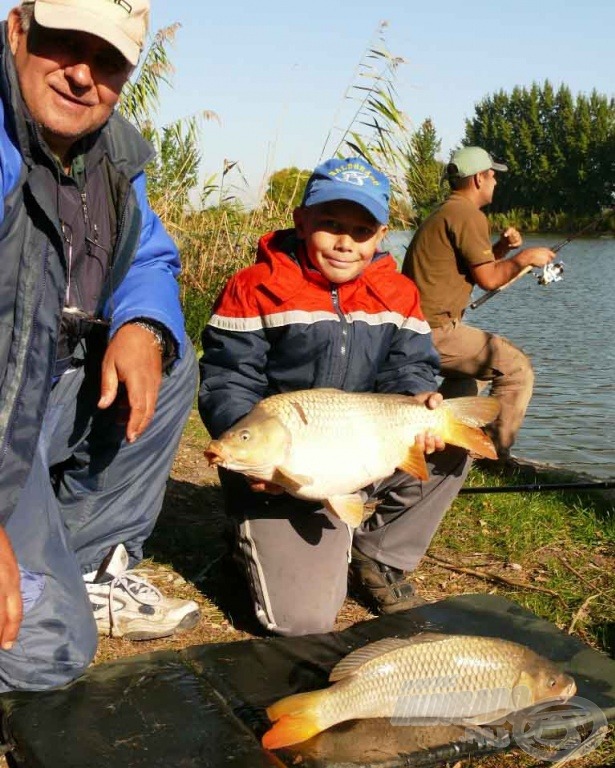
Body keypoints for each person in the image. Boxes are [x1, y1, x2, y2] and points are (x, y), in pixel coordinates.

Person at [0, 0, 200, 691]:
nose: (84, 75)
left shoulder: (112, 152)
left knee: (170, 365)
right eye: (64, 43)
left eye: (108, 59)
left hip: (34, 393)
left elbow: (149, 255)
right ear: (17, 31)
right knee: (44, 650)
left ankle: (84, 565)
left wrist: (142, 324)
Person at [199, 157, 471, 637]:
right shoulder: (255, 286)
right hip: (286, 474)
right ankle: (249, 537)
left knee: (453, 442)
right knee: (305, 621)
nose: (346, 242)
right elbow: (228, 379)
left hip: (365, 449)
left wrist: (418, 399)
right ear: (302, 222)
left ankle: (378, 554)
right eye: (330, 225)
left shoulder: (398, 292)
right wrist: (256, 460)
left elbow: (410, 368)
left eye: (362, 230)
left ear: (382, 234)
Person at [402, 146, 556, 459]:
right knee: (516, 368)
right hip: (432, 332)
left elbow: (475, 268)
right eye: (492, 176)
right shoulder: (467, 214)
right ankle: (493, 456)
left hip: (415, 328)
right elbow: (489, 279)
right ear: (477, 179)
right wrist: (525, 257)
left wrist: (500, 248)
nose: (495, 182)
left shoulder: (449, 211)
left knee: (472, 373)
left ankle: (444, 443)